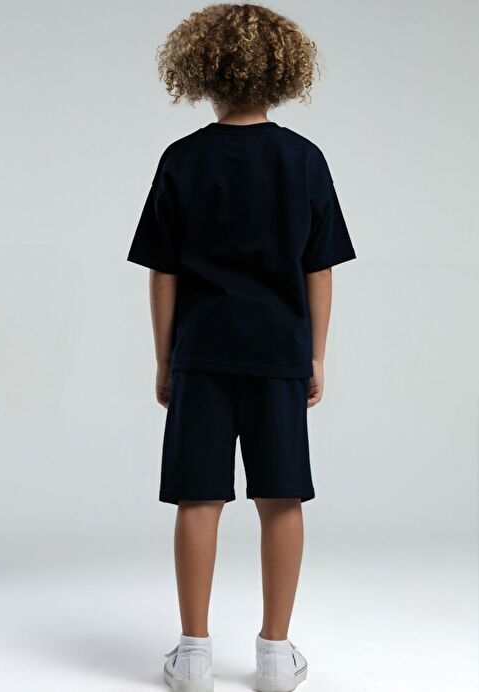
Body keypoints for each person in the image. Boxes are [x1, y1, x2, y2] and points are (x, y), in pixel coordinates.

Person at [127, 4, 356, 691]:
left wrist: (165, 357)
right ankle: (275, 655)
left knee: (198, 498)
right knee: (281, 497)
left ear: (201, 70)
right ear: (282, 73)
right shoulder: (304, 159)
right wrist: (315, 354)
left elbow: (163, 272)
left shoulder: (181, 159)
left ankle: (193, 654)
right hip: (279, 352)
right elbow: (319, 270)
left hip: (201, 352)